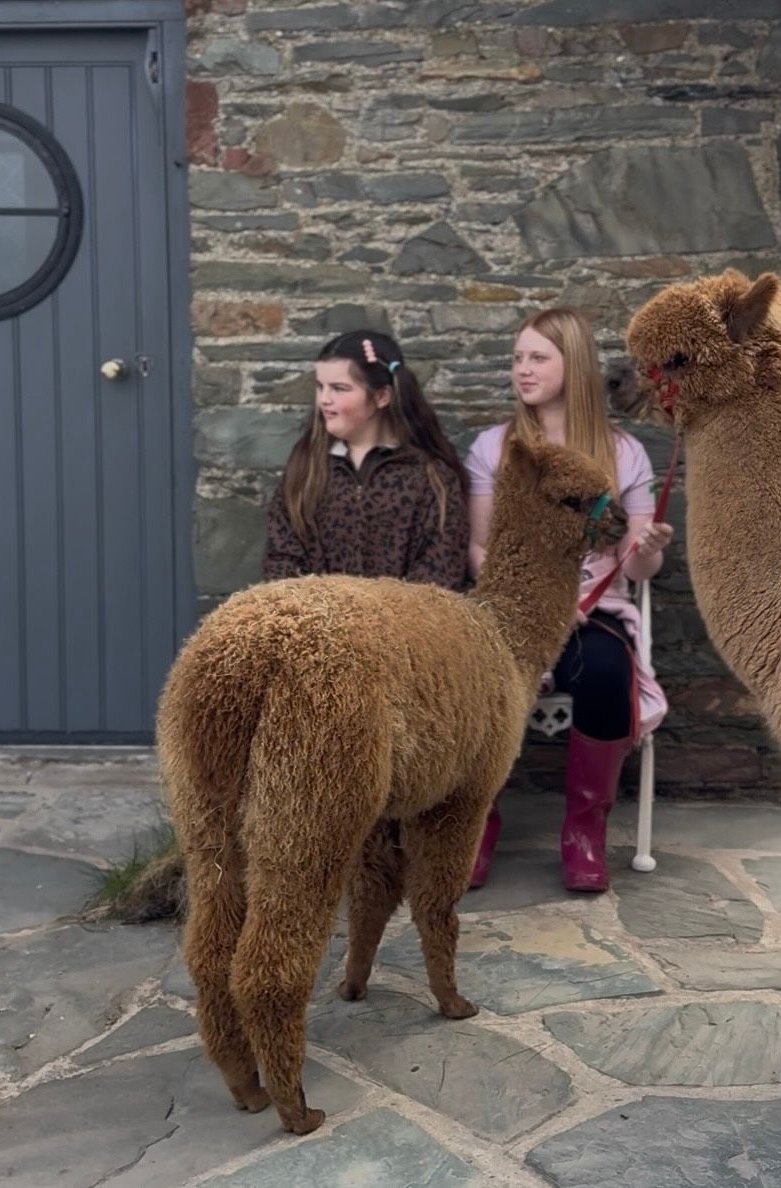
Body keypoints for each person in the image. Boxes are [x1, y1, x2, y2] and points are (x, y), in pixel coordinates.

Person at [465, 308, 671, 893]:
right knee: (482, 680)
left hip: (596, 615)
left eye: (538, 358)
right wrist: (539, 598)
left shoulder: (623, 453)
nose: (522, 370)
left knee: (606, 672)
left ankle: (585, 832)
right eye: (517, 358)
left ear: (572, 366)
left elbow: (639, 566)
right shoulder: (494, 448)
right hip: (515, 610)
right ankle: (475, 826)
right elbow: (479, 548)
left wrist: (648, 545)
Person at [264, 329, 468, 591]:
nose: (324, 399)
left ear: (382, 396)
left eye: (339, 388)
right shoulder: (306, 468)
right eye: (320, 387)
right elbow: (282, 558)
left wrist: (381, 622)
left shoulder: (430, 476)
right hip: (321, 627)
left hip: (403, 627)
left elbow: (441, 568)